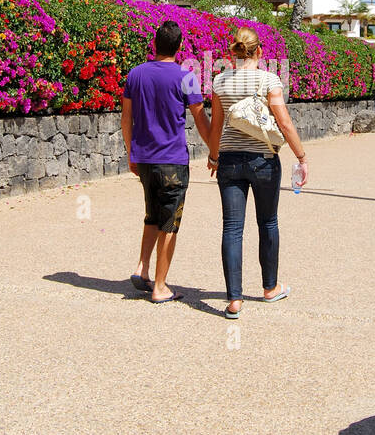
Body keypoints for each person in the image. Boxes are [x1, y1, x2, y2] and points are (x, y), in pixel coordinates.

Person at [206, 27, 308, 320]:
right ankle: (270, 288)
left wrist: (214, 157)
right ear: (259, 51)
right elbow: (284, 123)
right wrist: (301, 157)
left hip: (229, 161)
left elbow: (216, 127)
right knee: (268, 222)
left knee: (232, 228)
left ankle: (234, 300)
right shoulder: (269, 79)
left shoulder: (219, 81)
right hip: (264, 160)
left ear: (234, 52)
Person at [122, 21, 209, 304]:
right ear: (180, 46)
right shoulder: (186, 76)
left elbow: (126, 119)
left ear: (155, 43)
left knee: (152, 215)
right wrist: (215, 150)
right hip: (172, 161)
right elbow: (199, 118)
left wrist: (130, 153)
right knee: (169, 224)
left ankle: (142, 268)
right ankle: (160, 287)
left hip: (144, 159)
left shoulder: (136, 74)